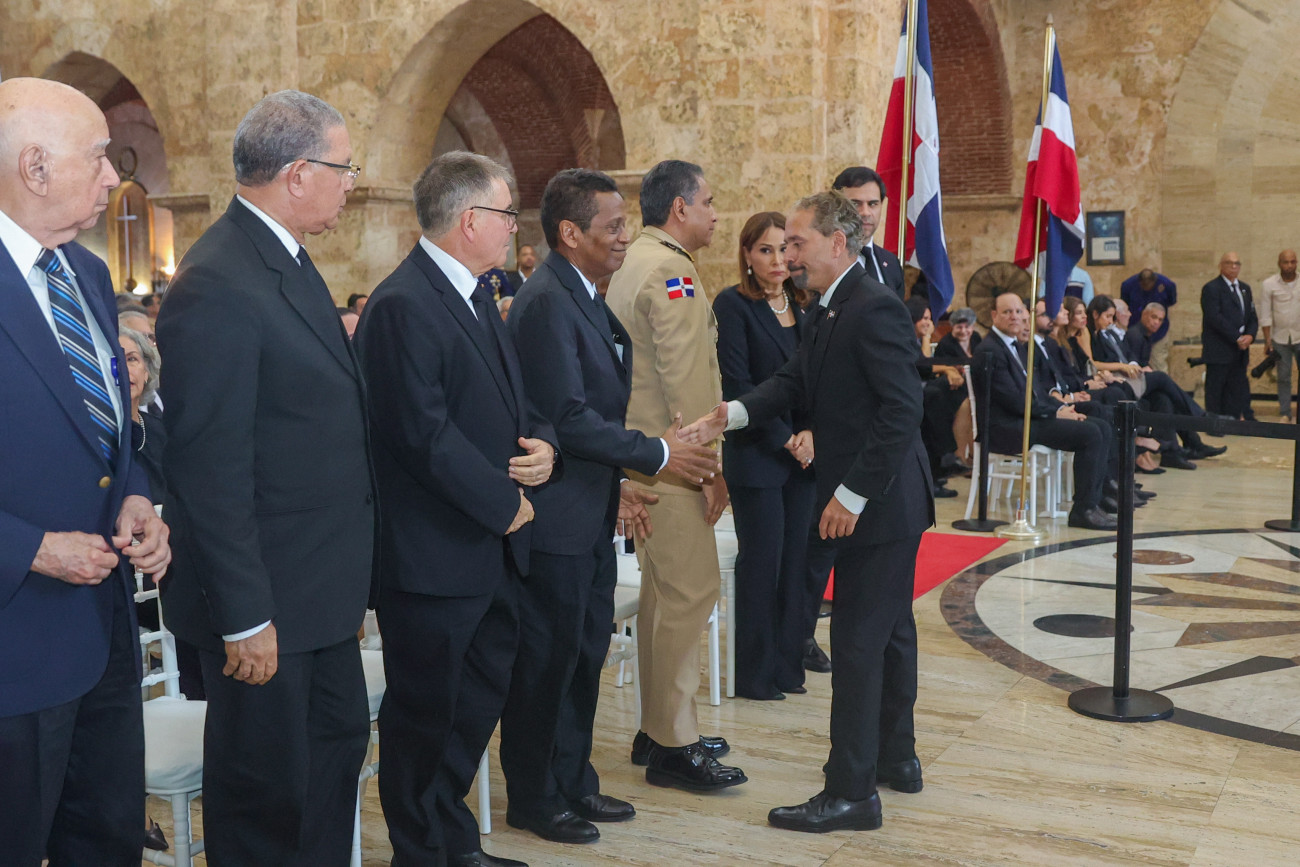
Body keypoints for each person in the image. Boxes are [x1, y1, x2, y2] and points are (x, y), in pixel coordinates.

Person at [158, 90, 376, 865]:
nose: (351, 183)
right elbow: (209, 468)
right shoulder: (218, 280)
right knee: (265, 798)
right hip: (266, 603)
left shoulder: (286, 258)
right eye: (344, 167)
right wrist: (244, 617)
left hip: (316, 592)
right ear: (297, 173)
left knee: (331, 764)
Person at [680, 190, 934, 833]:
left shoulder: (873, 305)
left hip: (881, 503)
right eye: (785, 244)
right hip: (877, 499)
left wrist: (851, 494)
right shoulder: (829, 305)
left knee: (856, 642)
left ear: (837, 243)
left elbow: (902, 411)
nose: (789, 254)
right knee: (890, 634)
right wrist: (732, 414)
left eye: (798, 242)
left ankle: (851, 793)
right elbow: (794, 380)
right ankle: (895, 759)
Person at [499, 168, 720, 845]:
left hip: (589, 504)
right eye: (613, 226)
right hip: (556, 515)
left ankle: (574, 779)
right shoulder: (546, 300)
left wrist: (619, 479)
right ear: (571, 233)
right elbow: (566, 416)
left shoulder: (583, 293)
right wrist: (656, 453)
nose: (626, 236)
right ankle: (535, 795)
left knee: (582, 652)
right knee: (549, 662)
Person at [356, 150, 558, 867]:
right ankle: (420, 852)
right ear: (471, 220)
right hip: (433, 556)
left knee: (473, 705)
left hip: (486, 552)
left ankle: (452, 842)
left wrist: (545, 447)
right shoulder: (403, 303)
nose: (513, 228)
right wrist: (504, 504)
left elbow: (514, 400)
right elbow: (421, 433)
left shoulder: (475, 293)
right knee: (424, 716)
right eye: (506, 214)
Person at [0, 76, 170, 866]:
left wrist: (136, 495)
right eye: (98, 156)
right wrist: (31, 547)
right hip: (14, 641)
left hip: (101, 636)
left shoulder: (88, 275)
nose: (112, 177)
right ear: (35, 167)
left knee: (104, 841)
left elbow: (110, 430)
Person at [604, 159, 747, 791]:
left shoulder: (632, 261)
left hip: (642, 454)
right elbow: (686, 380)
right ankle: (675, 744)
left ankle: (657, 726)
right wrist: (708, 468)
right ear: (680, 208)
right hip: (672, 463)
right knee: (691, 591)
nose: (716, 214)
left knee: (664, 597)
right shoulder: (672, 271)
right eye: (709, 202)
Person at [712, 211, 817, 701]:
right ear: (747, 255)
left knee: (796, 564)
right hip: (757, 452)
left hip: (805, 455)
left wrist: (811, 432)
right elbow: (738, 384)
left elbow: (818, 380)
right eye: (765, 250)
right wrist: (787, 438)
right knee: (763, 564)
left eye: (783, 249)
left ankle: (787, 668)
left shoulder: (807, 305)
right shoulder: (733, 305)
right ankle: (754, 675)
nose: (777, 260)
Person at [975, 292, 1117, 530]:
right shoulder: (989, 350)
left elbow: (1037, 392)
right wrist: (1054, 413)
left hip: (1027, 418)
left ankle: (1094, 502)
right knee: (1090, 433)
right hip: (1007, 426)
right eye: (1007, 312)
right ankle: (1083, 510)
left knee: (1101, 426)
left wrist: (1061, 407)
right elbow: (1012, 400)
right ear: (993, 315)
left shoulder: (1015, 346)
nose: (1014, 317)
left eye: (1018, 311)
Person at [830, 166, 904, 299]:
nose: (865, 212)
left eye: (873, 204)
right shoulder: (824, 259)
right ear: (836, 207)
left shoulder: (892, 263)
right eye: (855, 204)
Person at [1201, 252, 1258, 420]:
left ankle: (1235, 419)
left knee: (1237, 386)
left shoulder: (1245, 288)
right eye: (1229, 263)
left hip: (1240, 351)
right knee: (1216, 388)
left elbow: (1252, 316)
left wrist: (1250, 336)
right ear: (1220, 266)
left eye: (1237, 263)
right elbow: (1214, 317)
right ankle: (1213, 423)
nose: (1234, 267)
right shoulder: (1212, 288)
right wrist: (1237, 337)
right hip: (1219, 348)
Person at [1259, 249, 1300, 421]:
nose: (1289, 265)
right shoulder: (1269, 284)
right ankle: (1285, 413)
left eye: (1293, 262)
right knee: (1283, 377)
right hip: (1280, 338)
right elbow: (1265, 314)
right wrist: (1267, 340)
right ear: (1279, 264)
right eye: (1286, 262)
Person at [1120, 268, 1176, 371]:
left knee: (1158, 361)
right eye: (1143, 285)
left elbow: (1172, 301)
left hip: (1159, 333)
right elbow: (1125, 304)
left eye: (1149, 285)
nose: (1146, 288)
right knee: (1135, 361)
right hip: (1136, 332)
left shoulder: (1166, 284)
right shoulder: (1128, 285)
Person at [1124, 303, 1165, 368]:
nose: (1156, 322)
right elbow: (1133, 363)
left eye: (1160, 320)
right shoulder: (1135, 335)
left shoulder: (1148, 334)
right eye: (1153, 317)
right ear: (1144, 314)